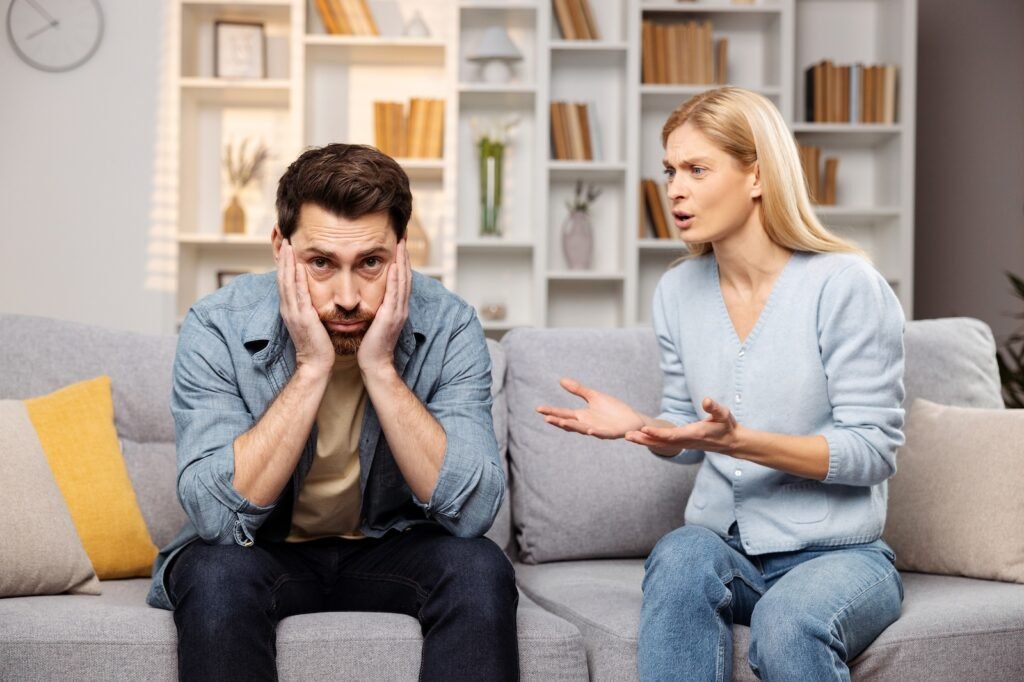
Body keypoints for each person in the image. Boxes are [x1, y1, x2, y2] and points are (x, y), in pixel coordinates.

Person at [537, 87, 905, 681]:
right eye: (670, 170)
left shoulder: (844, 285)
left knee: (788, 621)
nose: (675, 188)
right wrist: (641, 427)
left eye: (697, 169)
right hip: (724, 547)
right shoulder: (677, 291)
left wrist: (743, 442)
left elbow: (873, 452)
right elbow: (690, 436)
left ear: (756, 176)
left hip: (840, 556)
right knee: (679, 555)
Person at [146, 143, 518, 682]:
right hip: (262, 550)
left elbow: (472, 512)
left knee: (480, 566)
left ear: (402, 251)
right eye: (320, 263)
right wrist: (311, 367)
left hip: (388, 547)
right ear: (281, 248)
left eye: (371, 262)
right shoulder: (215, 325)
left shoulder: (451, 324)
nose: (347, 297)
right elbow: (219, 519)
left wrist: (383, 369)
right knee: (214, 572)